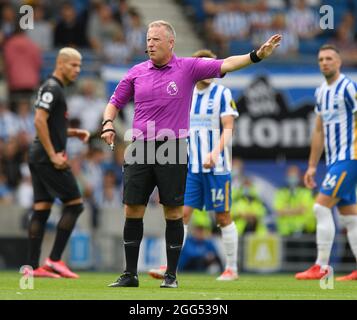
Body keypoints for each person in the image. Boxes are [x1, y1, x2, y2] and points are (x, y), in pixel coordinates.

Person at [101, 20, 281, 288]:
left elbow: (227, 64)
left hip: (173, 147)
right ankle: (130, 274)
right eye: (148, 39)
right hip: (139, 147)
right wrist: (107, 124)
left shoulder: (188, 68)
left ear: (170, 43)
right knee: (132, 209)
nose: (149, 44)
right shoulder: (136, 72)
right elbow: (114, 102)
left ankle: (171, 275)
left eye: (155, 40)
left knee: (174, 212)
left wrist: (256, 55)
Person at [149, 48, 239, 281]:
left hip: (217, 167)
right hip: (190, 168)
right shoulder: (183, 94)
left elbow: (228, 127)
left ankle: (231, 268)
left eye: (212, 65)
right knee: (181, 215)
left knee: (222, 217)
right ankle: (170, 267)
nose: (208, 70)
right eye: (203, 65)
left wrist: (215, 152)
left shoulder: (222, 93)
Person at [23, 48, 90, 279]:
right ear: (60, 64)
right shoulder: (52, 87)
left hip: (37, 155)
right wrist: (53, 154)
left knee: (42, 209)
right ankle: (54, 260)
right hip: (46, 156)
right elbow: (39, 120)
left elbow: (50, 124)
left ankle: (32, 267)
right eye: (73, 65)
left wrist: (71, 132)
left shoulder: (54, 88)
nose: (77, 70)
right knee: (75, 204)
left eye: (80, 66)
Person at [295, 44, 357, 281]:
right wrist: (312, 165)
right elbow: (319, 130)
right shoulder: (321, 91)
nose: (324, 62)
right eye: (321, 59)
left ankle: (321, 265)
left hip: (350, 156)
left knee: (321, 207)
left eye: (330, 58)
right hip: (334, 160)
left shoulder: (349, 88)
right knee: (350, 217)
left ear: (339, 62)